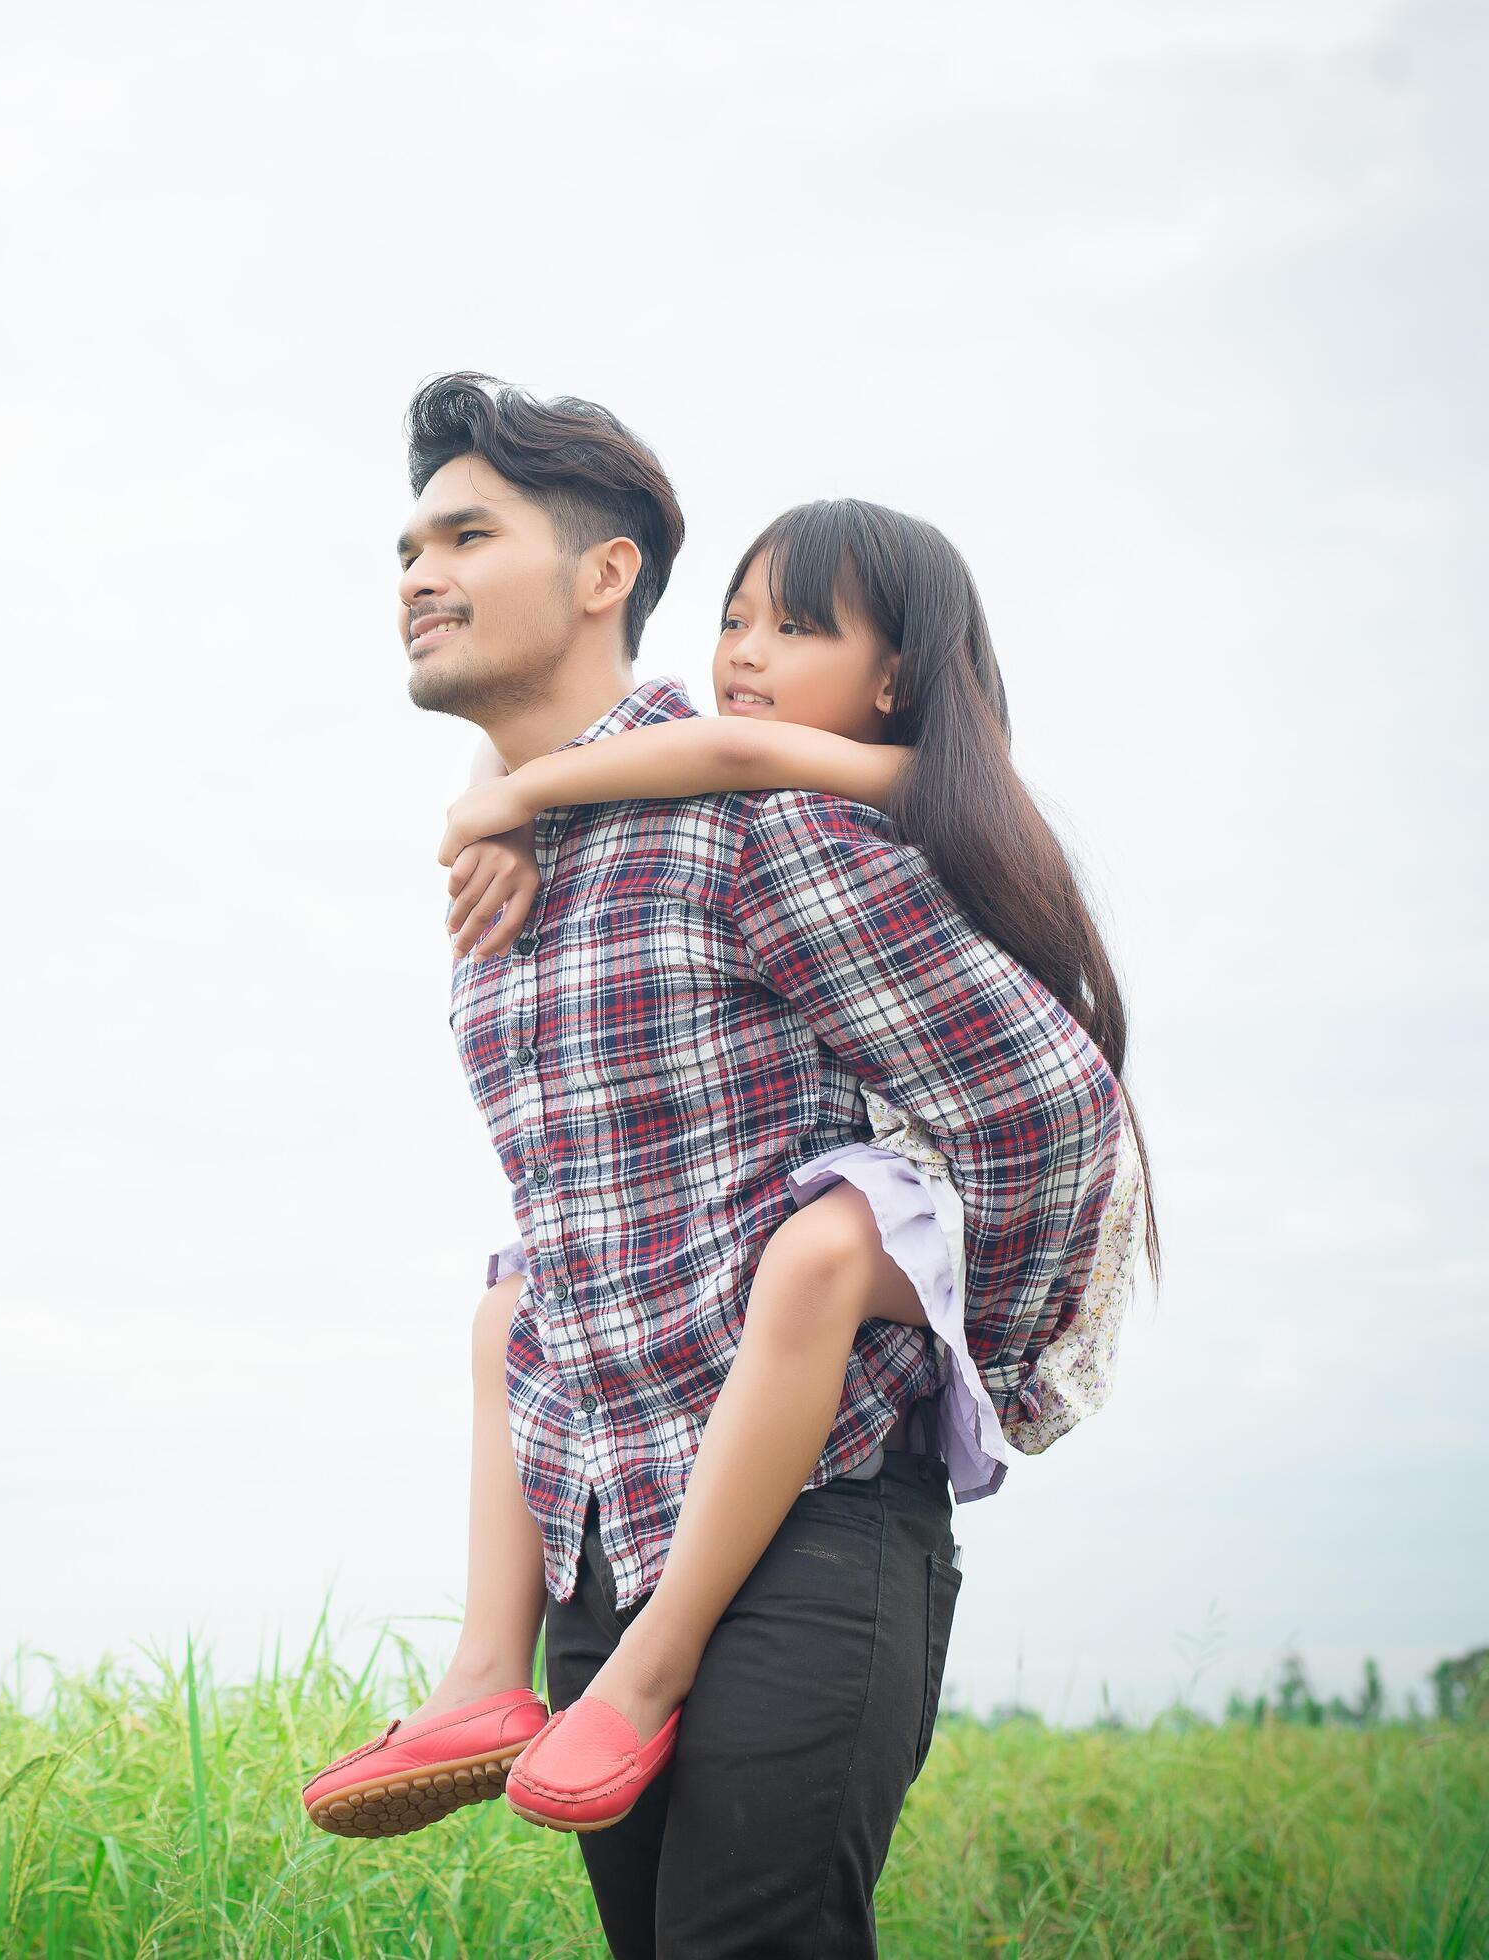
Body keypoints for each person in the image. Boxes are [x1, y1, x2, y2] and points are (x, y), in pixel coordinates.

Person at [301, 374, 1144, 1959]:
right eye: (404, 543)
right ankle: (480, 1678)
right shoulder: (513, 871)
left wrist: (919, 1306)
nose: (414, 572)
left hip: (810, 1535)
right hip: (603, 1538)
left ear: (605, 573)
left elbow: (1047, 1110)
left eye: (465, 533)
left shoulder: (754, 816)